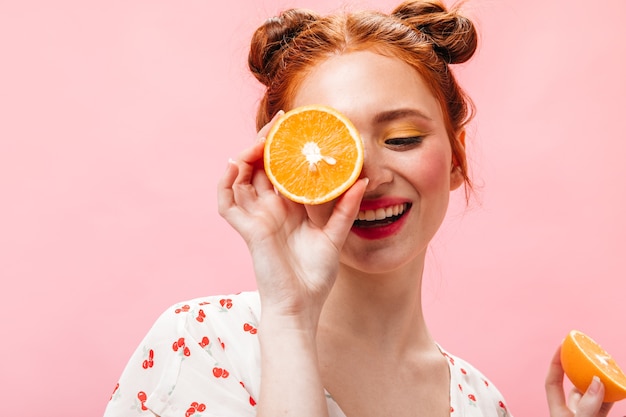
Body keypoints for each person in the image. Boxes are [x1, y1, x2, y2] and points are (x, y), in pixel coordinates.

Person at [103, 1, 615, 416]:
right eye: (331, 148)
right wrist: (290, 317)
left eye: (403, 137)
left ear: (457, 158)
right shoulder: (198, 343)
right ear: (282, 168)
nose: (367, 176)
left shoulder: (481, 403)